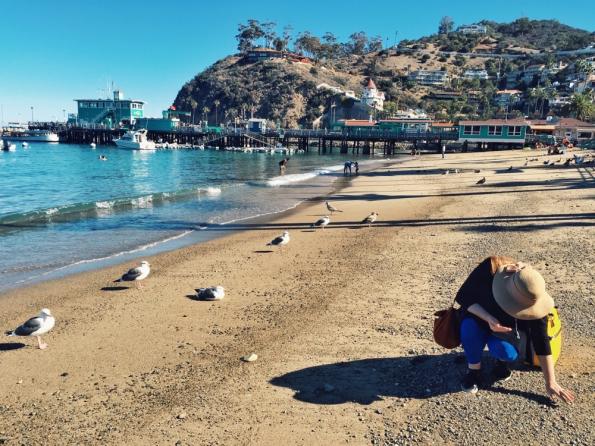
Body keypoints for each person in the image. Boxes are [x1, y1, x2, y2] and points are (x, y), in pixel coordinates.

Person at [455, 256, 575, 403]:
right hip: (480, 316)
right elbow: (463, 296)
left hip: (508, 329)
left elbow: (542, 341)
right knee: (469, 329)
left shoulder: (534, 302)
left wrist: (551, 382)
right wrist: (489, 318)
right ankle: (474, 371)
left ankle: (501, 362)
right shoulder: (491, 268)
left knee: (506, 352)